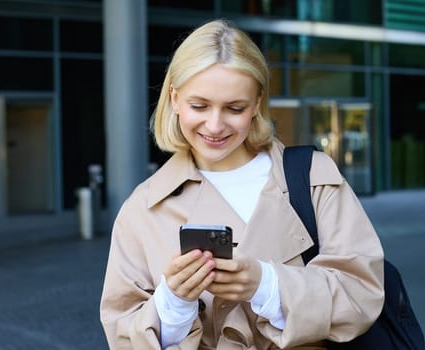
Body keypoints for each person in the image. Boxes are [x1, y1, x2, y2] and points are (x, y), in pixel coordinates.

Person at [99, 19, 385, 349]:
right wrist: (173, 304)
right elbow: (121, 335)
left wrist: (266, 285)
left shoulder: (313, 178)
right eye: (199, 106)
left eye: (235, 108)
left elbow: (363, 293)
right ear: (175, 99)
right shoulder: (144, 206)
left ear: (257, 104)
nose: (215, 125)